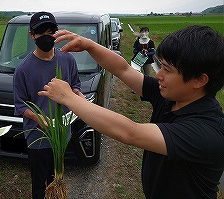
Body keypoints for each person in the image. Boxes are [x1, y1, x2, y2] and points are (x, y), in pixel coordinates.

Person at [38, 25, 224, 198]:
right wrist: (88, 45)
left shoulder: (206, 131)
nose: (158, 75)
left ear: (199, 80)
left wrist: (68, 98)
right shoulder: (173, 97)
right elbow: (123, 69)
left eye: (167, 69)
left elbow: (130, 132)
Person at [13, 11, 82, 199]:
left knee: (57, 176)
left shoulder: (67, 59)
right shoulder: (23, 70)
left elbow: (75, 86)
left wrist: (79, 98)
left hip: (62, 132)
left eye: (51, 32)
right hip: (38, 137)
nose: (46, 37)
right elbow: (20, 106)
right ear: (32, 36)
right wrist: (38, 117)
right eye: (40, 33)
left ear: (57, 34)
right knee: (39, 182)